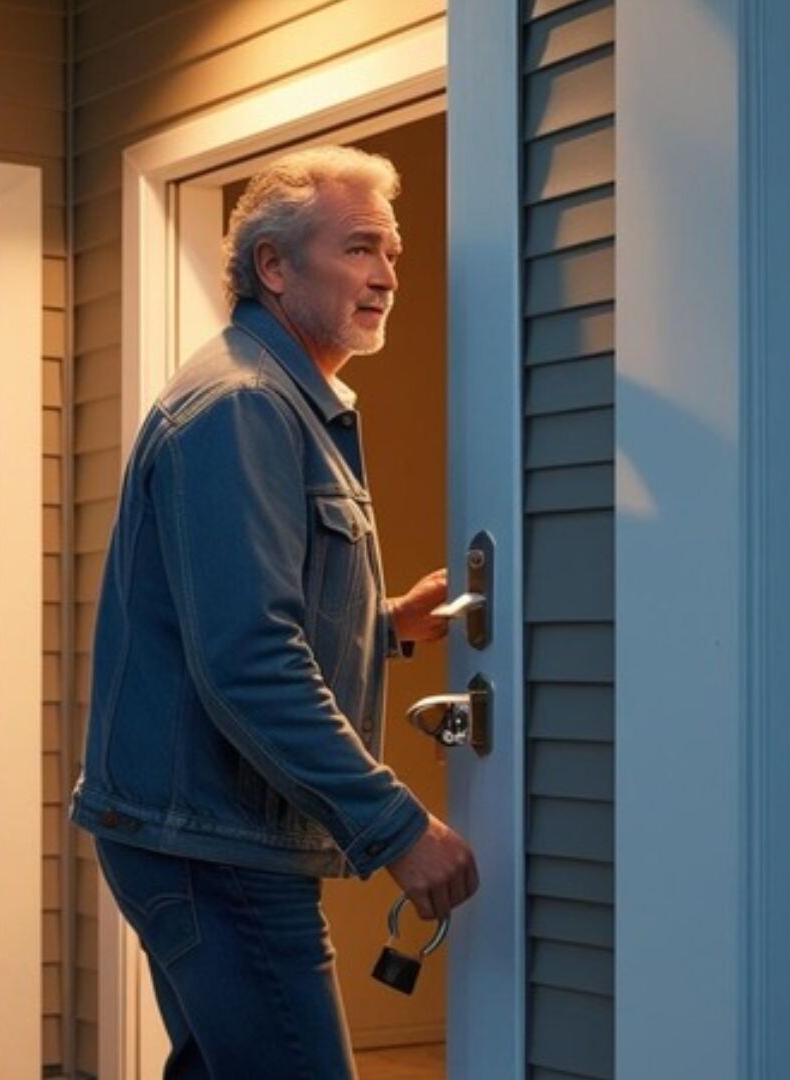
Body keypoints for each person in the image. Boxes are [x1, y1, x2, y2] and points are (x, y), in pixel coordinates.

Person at [67, 145, 479, 1078]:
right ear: (274, 266)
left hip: (200, 834)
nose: (385, 275)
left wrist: (382, 627)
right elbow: (248, 657)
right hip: (213, 848)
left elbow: (233, 610)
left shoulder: (279, 396)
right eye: (360, 249)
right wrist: (397, 828)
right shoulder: (244, 405)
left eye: (393, 253)